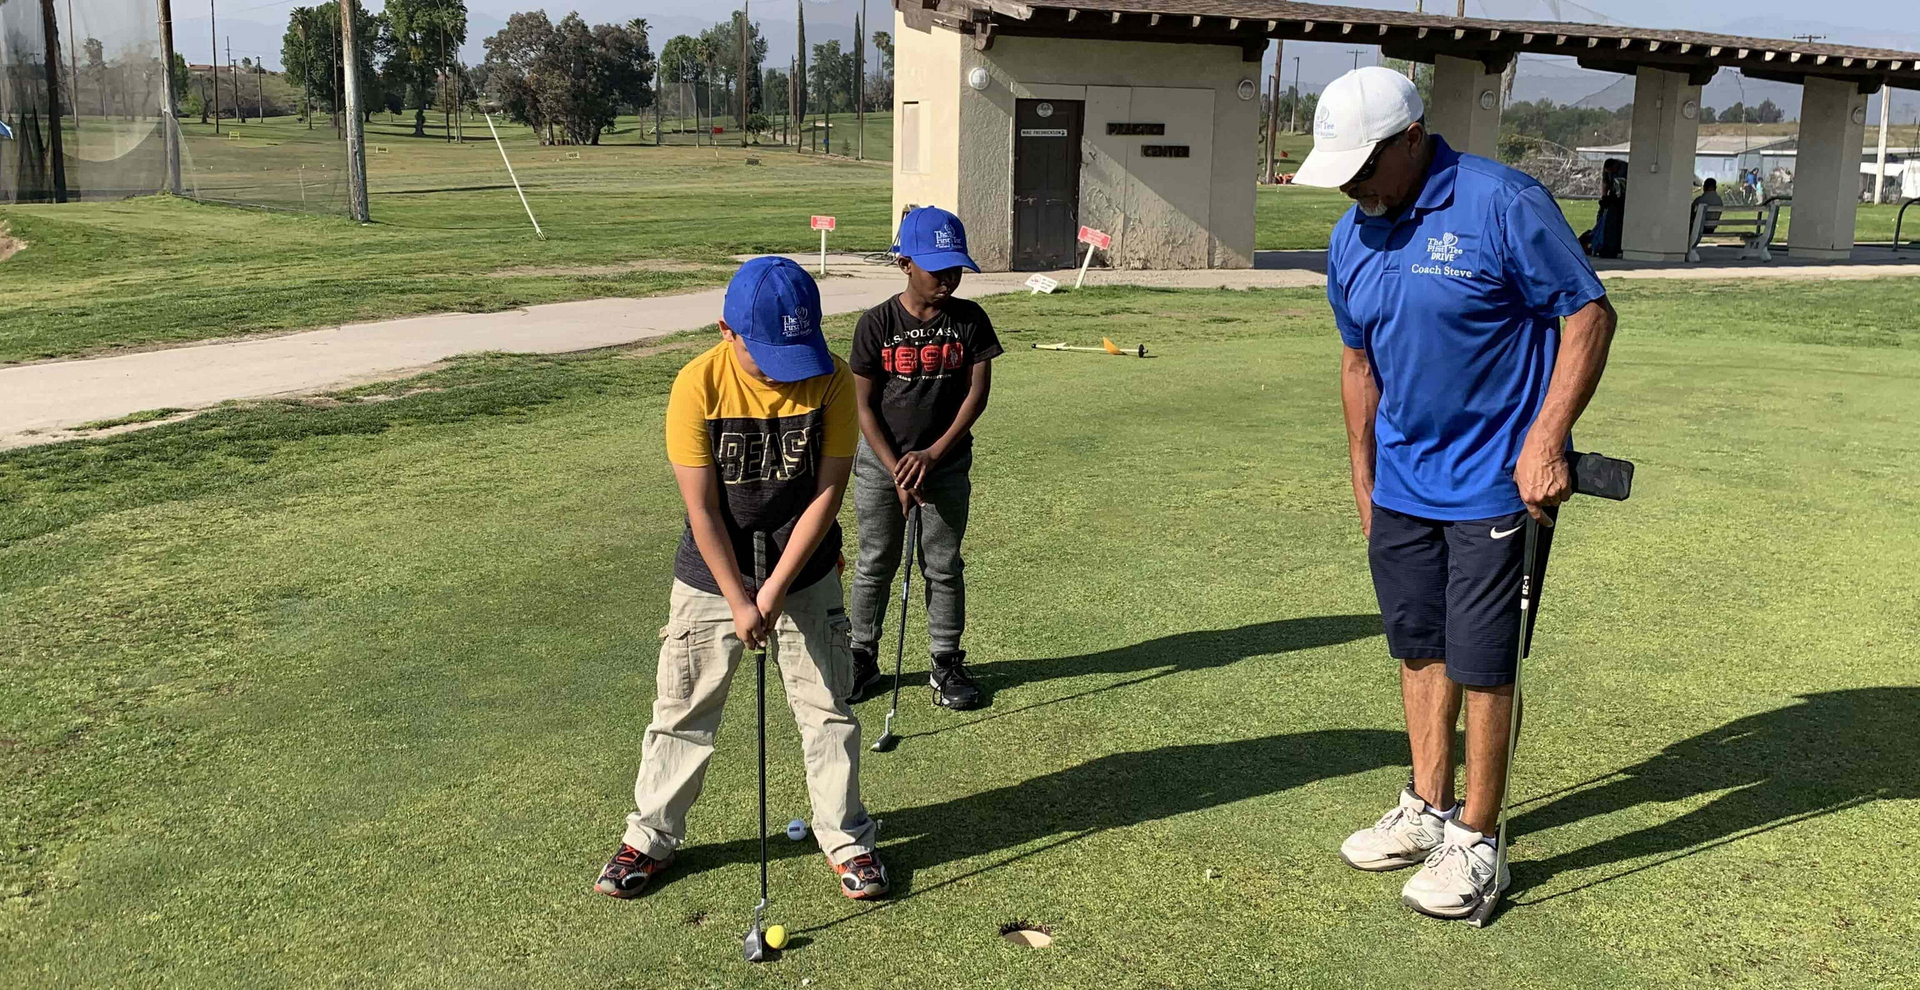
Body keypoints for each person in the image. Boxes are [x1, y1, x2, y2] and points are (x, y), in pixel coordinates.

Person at [1293, 67, 1618, 921]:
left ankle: (1477, 840)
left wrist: (1546, 440)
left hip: (1492, 489)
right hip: (1401, 487)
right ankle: (1428, 806)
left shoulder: (1502, 202)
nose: (1355, 188)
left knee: (1483, 666)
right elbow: (1358, 364)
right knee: (1418, 650)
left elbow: (1586, 314)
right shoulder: (1349, 237)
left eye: (1365, 167)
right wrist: (1364, 478)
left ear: (1412, 140)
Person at [595, 256, 890, 902]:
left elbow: (826, 496)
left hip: (804, 569)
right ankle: (649, 837)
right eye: (769, 356)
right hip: (711, 573)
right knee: (684, 708)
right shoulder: (696, 384)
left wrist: (774, 591)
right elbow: (700, 508)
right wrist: (738, 598)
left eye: (797, 351)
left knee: (827, 710)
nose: (789, 373)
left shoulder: (833, 381)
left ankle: (846, 838)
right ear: (728, 331)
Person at [845, 206, 1003, 711]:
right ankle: (861, 655)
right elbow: (863, 405)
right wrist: (896, 468)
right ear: (905, 263)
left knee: (942, 564)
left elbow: (975, 397)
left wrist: (933, 456)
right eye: (939, 268)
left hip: (946, 463)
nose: (949, 279)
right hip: (880, 464)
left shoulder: (969, 320)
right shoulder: (876, 324)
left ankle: (945, 661)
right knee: (876, 561)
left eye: (956, 267)